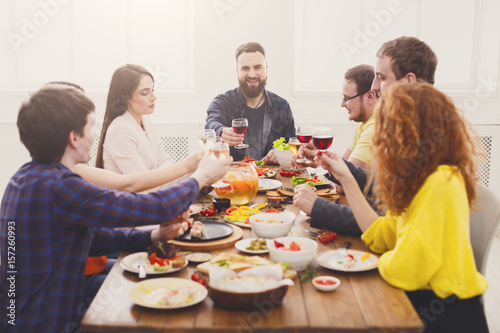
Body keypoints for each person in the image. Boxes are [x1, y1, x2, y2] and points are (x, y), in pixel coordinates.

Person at [0, 87, 231, 333]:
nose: (93, 136)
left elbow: (85, 237)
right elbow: (156, 207)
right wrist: (200, 176)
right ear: (74, 137)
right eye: (90, 127)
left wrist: (152, 236)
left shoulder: (24, 177)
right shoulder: (60, 187)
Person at [315, 82, 489, 332]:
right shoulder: (421, 178)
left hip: (445, 315)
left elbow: (408, 270)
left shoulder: (442, 182)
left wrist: (365, 263)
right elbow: (384, 234)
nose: (381, 140)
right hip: (418, 300)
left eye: (388, 129)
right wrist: (346, 178)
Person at [293, 36, 438, 236]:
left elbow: (382, 225)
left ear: (409, 82)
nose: (375, 86)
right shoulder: (408, 128)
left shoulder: (424, 141)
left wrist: (318, 207)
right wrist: (334, 164)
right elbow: (379, 187)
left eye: (382, 77)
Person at [96, 64, 200, 187]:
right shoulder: (119, 130)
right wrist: (190, 171)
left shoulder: (145, 121)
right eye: (145, 93)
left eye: (153, 90)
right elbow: (142, 184)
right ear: (125, 97)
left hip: (151, 195)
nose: (154, 97)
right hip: (130, 202)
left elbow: (165, 161)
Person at [205, 42, 296, 162]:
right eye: (245, 68)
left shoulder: (282, 106)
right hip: (232, 177)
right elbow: (211, 123)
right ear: (237, 69)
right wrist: (221, 132)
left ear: (266, 68)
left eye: (258, 67)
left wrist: (283, 153)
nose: (252, 74)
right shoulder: (222, 102)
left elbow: (293, 146)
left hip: (274, 178)